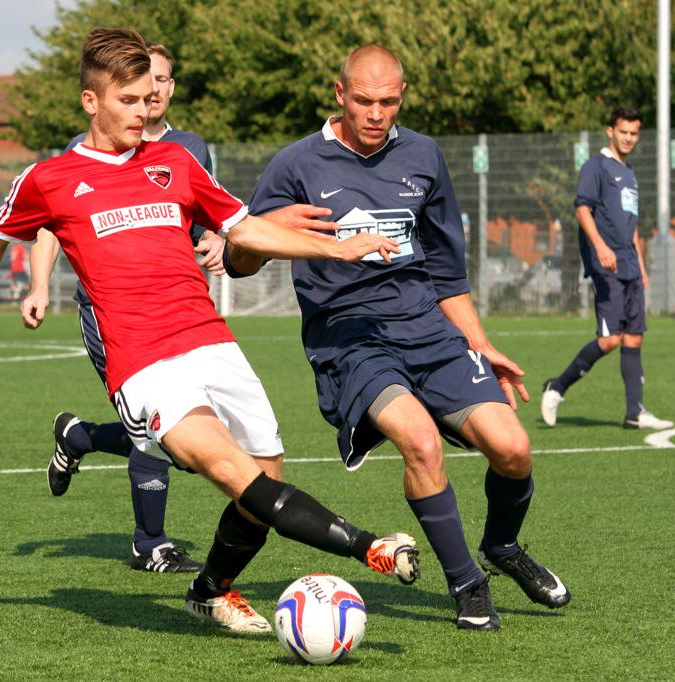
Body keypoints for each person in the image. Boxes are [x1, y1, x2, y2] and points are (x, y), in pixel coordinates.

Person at [0, 27, 418, 633]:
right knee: (233, 472)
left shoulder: (175, 161)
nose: (144, 111)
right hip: (143, 365)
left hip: (212, 343)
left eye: (148, 98)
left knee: (264, 483)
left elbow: (244, 227)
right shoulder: (50, 178)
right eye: (128, 101)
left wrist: (336, 247)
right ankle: (372, 548)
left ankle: (209, 590)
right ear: (91, 101)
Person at [235, 44, 570, 631]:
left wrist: (480, 343)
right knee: (421, 442)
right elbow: (240, 261)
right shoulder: (295, 165)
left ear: (402, 98)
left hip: (428, 330)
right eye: (364, 100)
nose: (375, 113)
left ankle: (502, 546)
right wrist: (262, 229)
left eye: (388, 102)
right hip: (350, 338)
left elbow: (446, 272)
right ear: (339, 93)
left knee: (513, 448)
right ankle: (466, 583)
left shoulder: (423, 155)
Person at [23, 40, 226, 574]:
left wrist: (216, 240)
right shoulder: (83, 149)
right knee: (156, 427)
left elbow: (203, 215)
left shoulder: (189, 148)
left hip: (178, 314)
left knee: (190, 439)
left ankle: (81, 436)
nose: (151, 91)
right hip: (107, 311)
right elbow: (48, 224)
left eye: (161, 79)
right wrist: (39, 286)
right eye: (140, 83)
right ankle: (149, 543)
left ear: (171, 87)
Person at [542, 107, 674, 430]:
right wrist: (600, 247)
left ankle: (634, 412)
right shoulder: (596, 166)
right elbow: (581, 209)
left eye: (634, 133)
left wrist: (640, 262)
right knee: (610, 339)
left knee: (634, 337)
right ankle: (557, 387)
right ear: (610, 131)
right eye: (623, 132)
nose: (628, 138)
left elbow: (631, 224)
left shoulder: (629, 173)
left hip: (629, 263)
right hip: (606, 265)